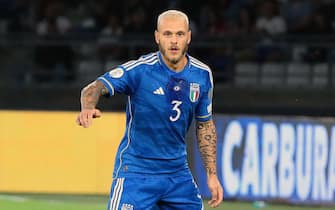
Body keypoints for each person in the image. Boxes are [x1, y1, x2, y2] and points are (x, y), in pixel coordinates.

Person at [76, 9, 223, 209]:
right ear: (157, 37)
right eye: (167, 34)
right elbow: (94, 88)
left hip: (177, 174)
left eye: (179, 34)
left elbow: (205, 125)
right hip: (136, 172)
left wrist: (211, 175)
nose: (173, 41)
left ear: (188, 37)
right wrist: (88, 107)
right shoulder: (140, 70)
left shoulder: (202, 75)